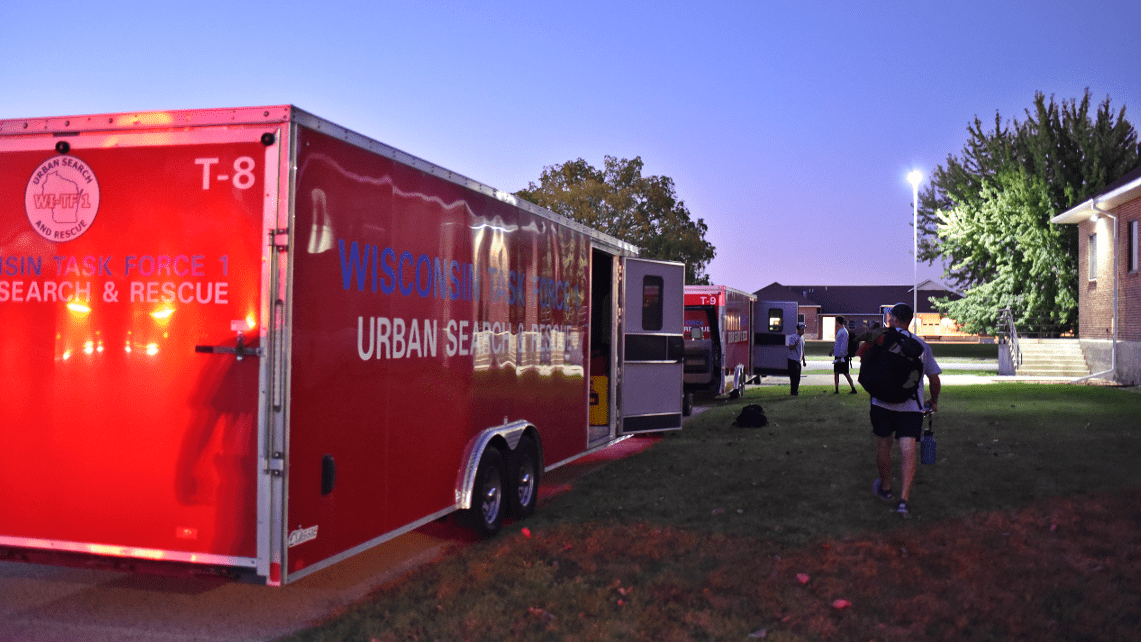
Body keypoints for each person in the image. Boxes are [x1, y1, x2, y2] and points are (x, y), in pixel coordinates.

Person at [869, 303, 941, 518]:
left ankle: (886, 489)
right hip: (911, 406)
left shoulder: (880, 341)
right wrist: (933, 401)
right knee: (908, 449)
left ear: (893, 319)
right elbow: (934, 379)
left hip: (881, 403)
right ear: (910, 320)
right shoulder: (920, 345)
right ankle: (903, 501)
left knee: (884, 443)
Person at [829, 316, 857, 394]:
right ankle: (837, 389)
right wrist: (833, 351)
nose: (835, 323)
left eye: (836, 322)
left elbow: (844, 345)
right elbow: (837, 343)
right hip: (838, 355)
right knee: (836, 372)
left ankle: (853, 389)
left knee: (845, 372)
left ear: (838, 322)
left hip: (842, 356)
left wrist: (841, 357)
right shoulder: (840, 331)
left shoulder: (844, 332)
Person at [786, 322, 807, 396]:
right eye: (802, 329)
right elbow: (790, 347)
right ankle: (793, 392)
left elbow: (802, 349)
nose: (803, 331)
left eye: (804, 329)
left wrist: (803, 360)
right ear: (798, 330)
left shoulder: (802, 338)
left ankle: (795, 391)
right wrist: (795, 344)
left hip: (798, 360)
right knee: (793, 377)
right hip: (792, 360)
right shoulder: (793, 337)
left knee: (798, 377)